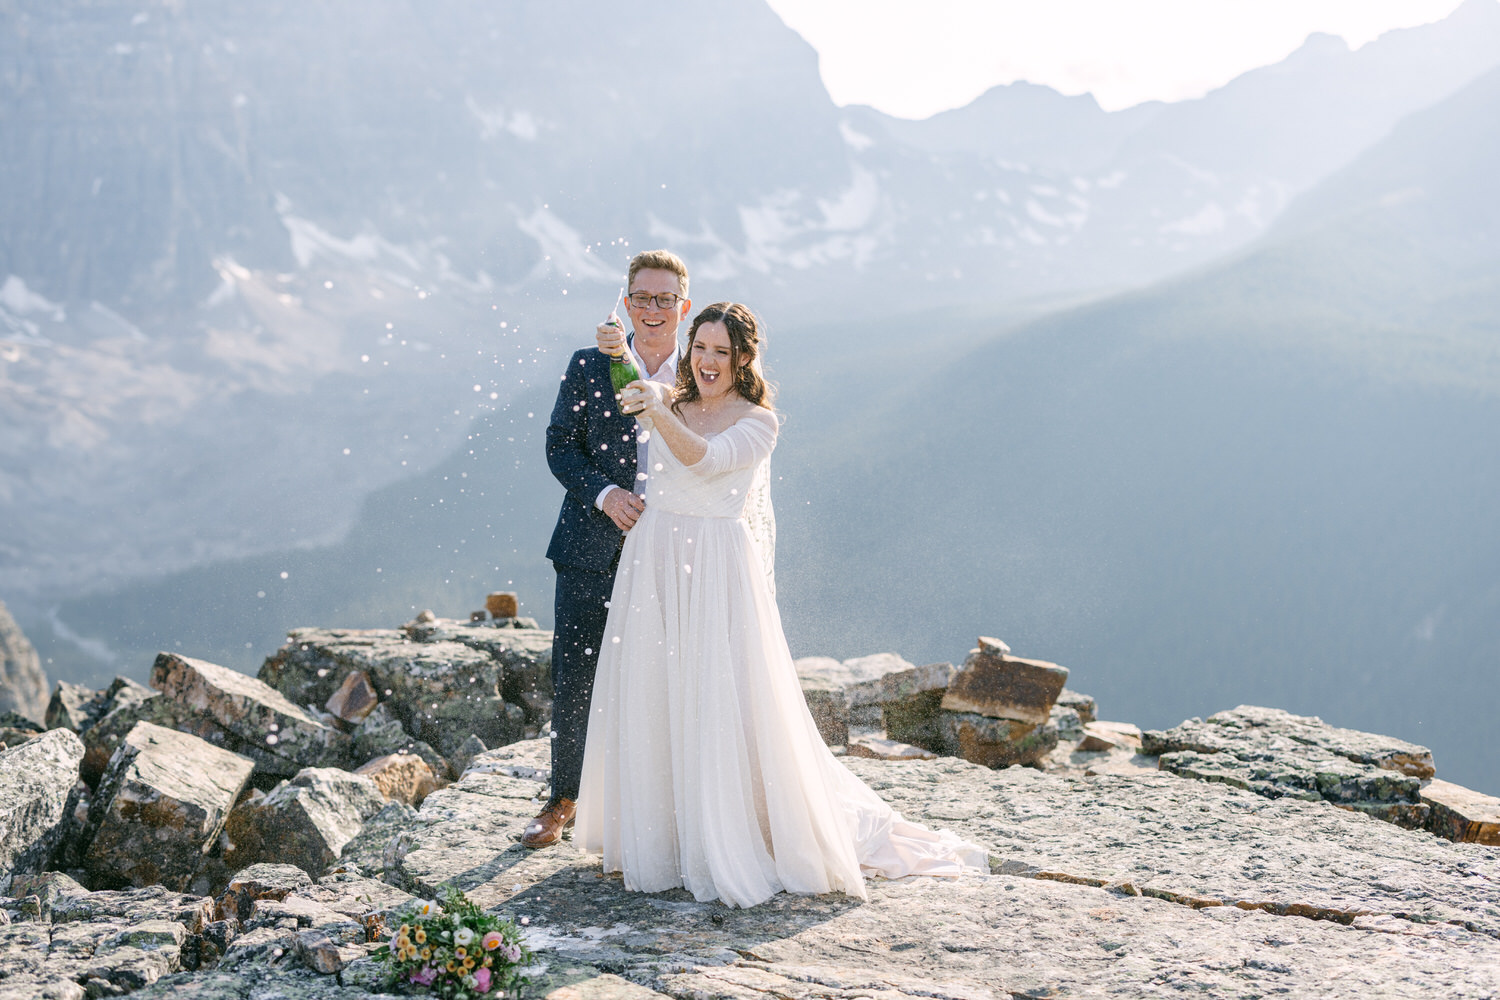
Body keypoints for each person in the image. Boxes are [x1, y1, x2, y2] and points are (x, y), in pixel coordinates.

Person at [575, 302, 987, 908]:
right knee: (657, 687)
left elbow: (703, 459)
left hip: (716, 565)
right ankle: (666, 836)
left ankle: (734, 831)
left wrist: (658, 407)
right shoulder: (668, 396)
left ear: (744, 358)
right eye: (701, 348)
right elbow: (634, 386)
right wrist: (619, 354)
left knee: (725, 695)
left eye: (722, 350)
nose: (708, 361)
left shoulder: (759, 422)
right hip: (654, 555)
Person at [524, 250, 691, 848]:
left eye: (664, 298)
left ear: (683, 307)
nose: (652, 309)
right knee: (576, 674)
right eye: (642, 297)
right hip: (590, 544)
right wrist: (604, 493)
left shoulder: (699, 370)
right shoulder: (588, 364)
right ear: (625, 302)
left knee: (669, 674)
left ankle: (661, 803)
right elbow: (559, 446)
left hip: (674, 547)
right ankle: (564, 798)